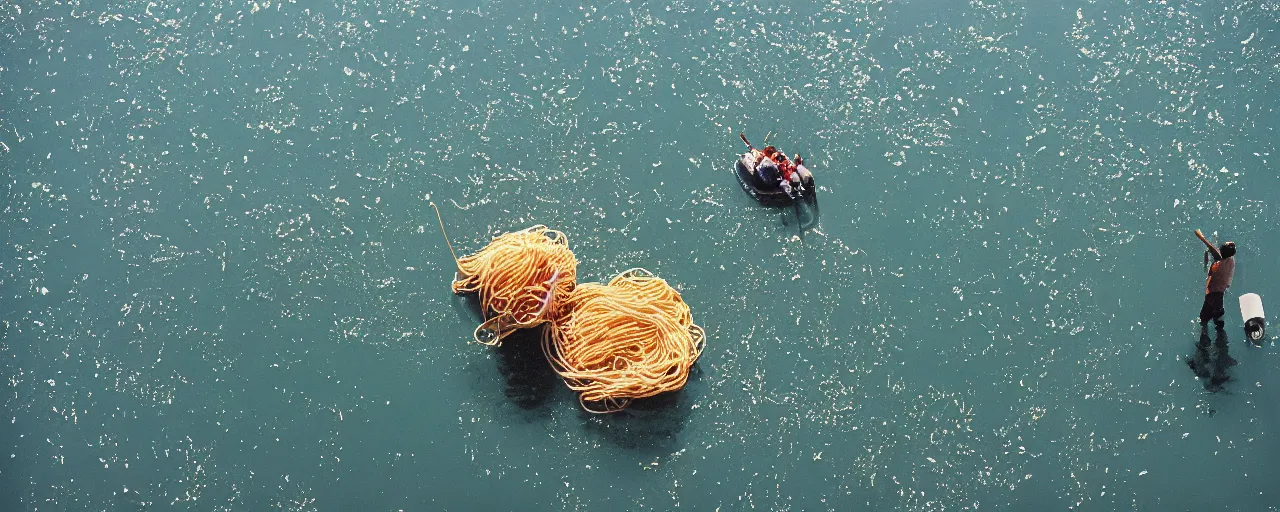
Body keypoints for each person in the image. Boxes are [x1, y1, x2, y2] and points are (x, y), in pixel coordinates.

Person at [1194, 229, 1236, 328]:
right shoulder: (1231, 261)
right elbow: (1217, 253)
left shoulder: (1217, 265)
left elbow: (1213, 253)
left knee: (1203, 319)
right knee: (1218, 319)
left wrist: (1202, 238)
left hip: (1212, 296)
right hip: (1220, 296)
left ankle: (1204, 341)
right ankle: (1221, 340)